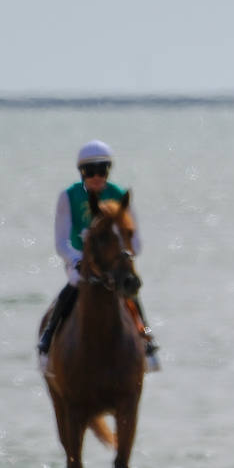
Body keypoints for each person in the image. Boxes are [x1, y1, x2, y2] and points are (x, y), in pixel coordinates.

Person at [38, 140, 158, 368]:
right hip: (80, 260)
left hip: (113, 261)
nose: (96, 176)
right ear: (81, 172)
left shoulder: (119, 195)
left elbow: (135, 239)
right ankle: (48, 336)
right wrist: (75, 258)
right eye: (90, 171)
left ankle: (147, 338)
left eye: (102, 170)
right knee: (74, 284)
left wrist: (126, 256)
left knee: (130, 290)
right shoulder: (69, 196)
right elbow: (61, 241)